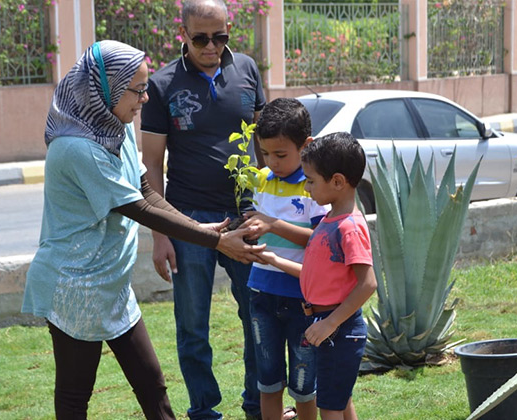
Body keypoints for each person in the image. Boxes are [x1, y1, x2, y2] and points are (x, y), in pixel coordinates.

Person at [21, 40, 263, 420]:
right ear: (108, 89)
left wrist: (196, 226)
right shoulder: (75, 148)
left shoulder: (118, 129)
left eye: (146, 87)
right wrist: (214, 239)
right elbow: (135, 208)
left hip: (111, 284)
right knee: (74, 397)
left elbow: (146, 190)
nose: (146, 98)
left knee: (153, 388)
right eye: (137, 89)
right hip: (74, 286)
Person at [139, 0, 266, 418]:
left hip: (246, 215)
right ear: (184, 34)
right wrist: (161, 236)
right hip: (187, 219)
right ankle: (204, 410)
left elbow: (265, 147)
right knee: (193, 325)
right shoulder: (161, 85)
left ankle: (256, 403)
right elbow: (152, 165)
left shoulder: (247, 70)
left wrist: (271, 207)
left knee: (257, 316)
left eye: (220, 37)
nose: (211, 46)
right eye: (200, 38)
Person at [257, 132, 378, 420]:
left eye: (310, 181)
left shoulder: (348, 227)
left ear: (337, 181)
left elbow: (368, 283)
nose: (307, 187)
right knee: (339, 398)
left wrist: (329, 324)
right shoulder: (329, 220)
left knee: (331, 408)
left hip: (339, 328)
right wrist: (274, 260)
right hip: (327, 325)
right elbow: (315, 275)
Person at [239, 98, 329, 420]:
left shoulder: (313, 187)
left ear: (306, 145)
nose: (271, 162)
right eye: (265, 153)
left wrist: (273, 224)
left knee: (305, 381)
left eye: (280, 154)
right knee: (267, 378)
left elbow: (321, 241)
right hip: (261, 292)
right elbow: (257, 227)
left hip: (302, 298)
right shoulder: (259, 180)